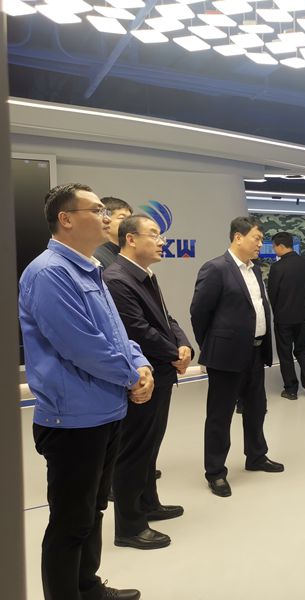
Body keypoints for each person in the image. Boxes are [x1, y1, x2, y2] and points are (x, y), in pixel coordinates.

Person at [19, 183, 153, 600]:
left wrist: (141, 364)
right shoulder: (49, 273)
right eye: (96, 210)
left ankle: (88, 587)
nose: (107, 217)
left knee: (93, 510)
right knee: (70, 521)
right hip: (72, 419)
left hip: (104, 411)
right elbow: (81, 345)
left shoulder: (89, 267)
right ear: (66, 219)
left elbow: (116, 332)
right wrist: (131, 377)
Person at [103, 214, 193, 550]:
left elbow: (166, 319)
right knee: (133, 451)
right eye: (154, 234)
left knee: (150, 446)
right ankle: (129, 526)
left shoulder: (144, 275)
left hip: (162, 372)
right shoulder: (117, 279)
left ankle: (149, 504)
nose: (161, 241)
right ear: (130, 239)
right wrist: (174, 353)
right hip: (143, 377)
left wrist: (184, 345)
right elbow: (137, 330)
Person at [190, 216, 283, 498]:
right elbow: (199, 312)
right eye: (256, 238)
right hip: (226, 356)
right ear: (238, 237)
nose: (260, 244)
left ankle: (256, 455)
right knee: (220, 415)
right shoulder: (216, 268)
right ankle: (215, 472)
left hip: (255, 352)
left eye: (262, 239)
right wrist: (212, 344)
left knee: (257, 408)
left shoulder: (255, 270)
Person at [266, 231, 305, 400]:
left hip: (283, 317)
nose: (274, 250)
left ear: (281, 246)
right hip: (303, 315)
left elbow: (272, 293)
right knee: (303, 349)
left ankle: (291, 389)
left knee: (285, 353)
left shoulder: (277, 267)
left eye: (274, 247)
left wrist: (276, 310)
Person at [93, 196, 133, 269]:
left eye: (130, 219)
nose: (129, 223)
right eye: (122, 218)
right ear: (105, 220)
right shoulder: (95, 257)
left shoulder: (126, 257)